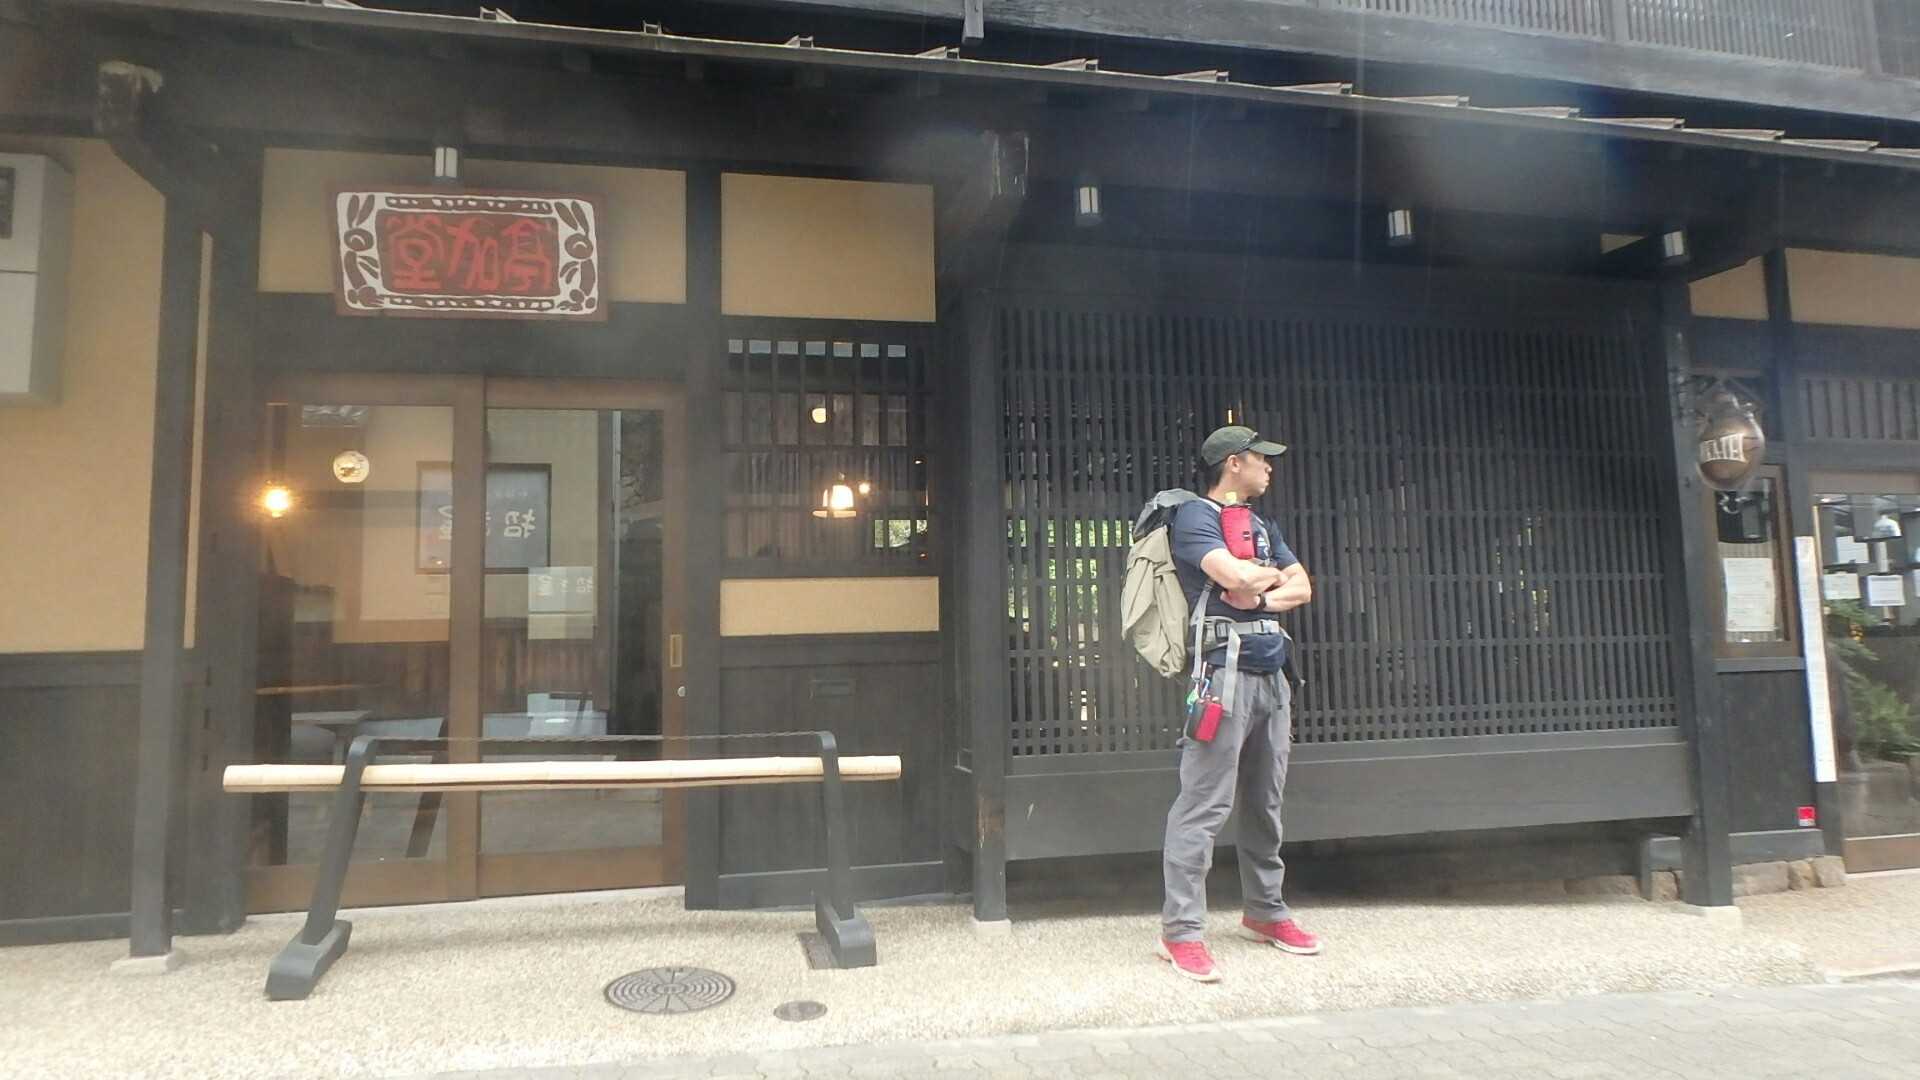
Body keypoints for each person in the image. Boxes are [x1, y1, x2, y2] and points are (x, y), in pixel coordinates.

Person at [1157, 424, 1320, 983]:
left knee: (1265, 801)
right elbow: (1231, 575)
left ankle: (1265, 911)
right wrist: (1261, 580)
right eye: (1260, 459)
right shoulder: (1193, 517)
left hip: (1273, 675)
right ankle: (1180, 932)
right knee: (1203, 803)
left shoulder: (1264, 525)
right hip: (1221, 677)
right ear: (1233, 463)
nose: (1268, 467)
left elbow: (1302, 587)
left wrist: (1260, 591)